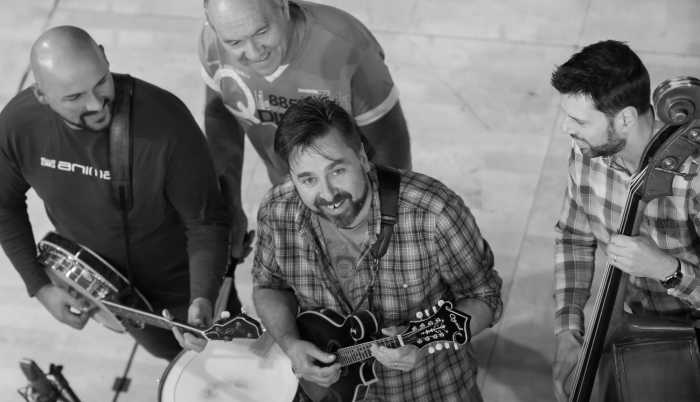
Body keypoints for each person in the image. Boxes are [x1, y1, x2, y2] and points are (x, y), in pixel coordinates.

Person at [0, 26, 234, 360]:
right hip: (110, 294)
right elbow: (4, 204)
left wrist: (204, 295)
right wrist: (39, 286)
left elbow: (206, 222)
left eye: (101, 82)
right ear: (41, 95)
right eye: (74, 98)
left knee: (233, 360)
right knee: (169, 358)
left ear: (104, 55)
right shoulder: (17, 125)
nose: (96, 104)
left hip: (187, 286)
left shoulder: (167, 126)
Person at [252, 96, 502, 401]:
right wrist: (290, 343)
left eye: (337, 171)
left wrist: (422, 343)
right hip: (331, 394)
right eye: (308, 179)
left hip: (432, 390)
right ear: (292, 177)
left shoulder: (434, 212)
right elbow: (269, 286)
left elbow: (485, 297)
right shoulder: (277, 209)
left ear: (361, 156)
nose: (327, 193)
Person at [200, 0, 412, 263]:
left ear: (282, 6)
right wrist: (228, 203)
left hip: (355, 204)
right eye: (234, 42)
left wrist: (383, 224)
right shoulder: (213, 40)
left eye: (262, 32)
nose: (254, 52)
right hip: (295, 198)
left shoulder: (348, 46)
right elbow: (220, 113)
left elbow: (390, 143)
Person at [551, 40, 700, 401]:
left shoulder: (695, 178)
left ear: (626, 119)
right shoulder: (588, 152)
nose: (565, 129)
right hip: (632, 319)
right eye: (567, 115)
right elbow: (573, 238)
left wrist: (668, 269)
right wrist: (568, 330)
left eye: (579, 121)